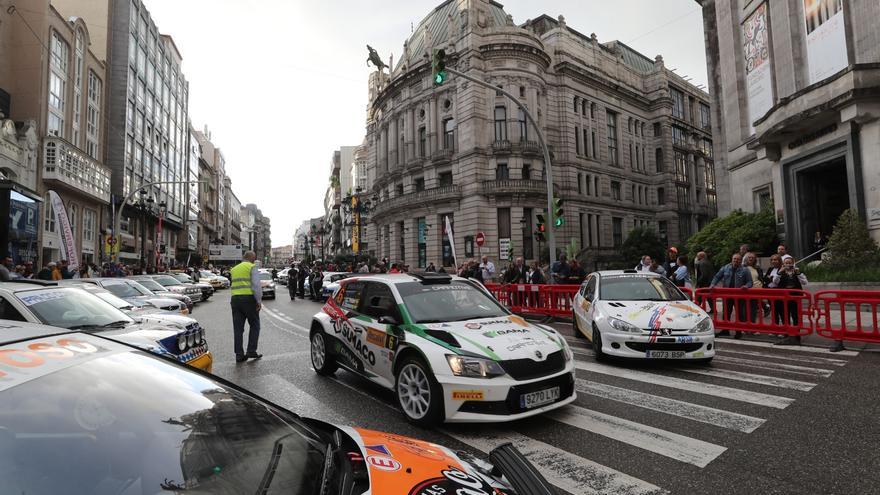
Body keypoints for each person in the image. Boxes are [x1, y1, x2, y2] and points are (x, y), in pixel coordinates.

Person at [230, 251, 263, 363]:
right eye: (254, 258)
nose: (255, 260)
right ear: (251, 258)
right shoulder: (251, 267)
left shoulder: (234, 269)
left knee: (238, 329)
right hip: (248, 300)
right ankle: (251, 351)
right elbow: (256, 285)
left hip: (235, 300)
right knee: (255, 325)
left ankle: (239, 355)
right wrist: (258, 301)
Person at [709, 253, 752, 339]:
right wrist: (713, 284)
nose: (736, 261)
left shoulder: (745, 270)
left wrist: (746, 286)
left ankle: (738, 331)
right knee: (726, 313)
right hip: (727, 294)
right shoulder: (725, 268)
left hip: (739, 295)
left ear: (741, 260)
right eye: (734, 259)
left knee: (739, 314)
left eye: (738, 259)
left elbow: (750, 282)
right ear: (731, 259)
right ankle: (725, 330)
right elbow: (717, 277)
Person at [772, 255, 809, 346]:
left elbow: (805, 282)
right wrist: (780, 272)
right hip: (784, 298)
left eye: (790, 263)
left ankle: (797, 336)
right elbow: (775, 282)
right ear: (783, 264)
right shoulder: (780, 272)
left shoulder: (797, 272)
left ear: (793, 263)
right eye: (786, 263)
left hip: (795, 298)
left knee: (796, 316)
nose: (788, 265)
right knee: (785, 316)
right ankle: (786, 335)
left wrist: (798, 273)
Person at [742, 252, 764, 323]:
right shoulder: (742, 268)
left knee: (753, 310)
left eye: (752, 258)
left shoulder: (757, 268)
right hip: (746, 290)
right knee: (745, 310)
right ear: (746, 258)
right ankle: (745, 326)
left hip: (756, 291)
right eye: (749, 257)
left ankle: (753, 326)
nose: (751, 259)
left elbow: (760, 278)